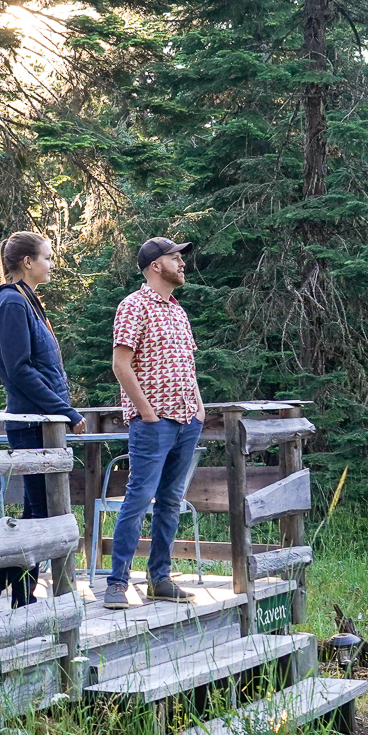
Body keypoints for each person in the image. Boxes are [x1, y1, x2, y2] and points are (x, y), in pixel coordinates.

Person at [0, 230, 83, 608]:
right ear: (27, 262)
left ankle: (18, 590)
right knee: (39, 511)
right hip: (31, 420)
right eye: (48, 257)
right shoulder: (11, 304)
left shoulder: (27, 301)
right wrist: (65, 410)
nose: (52, 264)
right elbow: (20, 370)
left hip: (43, 418)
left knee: (37, 510)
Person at [105, 236, 203, 610]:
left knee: (171, 502)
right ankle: (117, 583)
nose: (182, 262)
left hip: (186, 419)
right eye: (175, 256)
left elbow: (187, 363)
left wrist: (199, 406)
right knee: (138, 499)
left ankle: (159, 579)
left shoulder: (178, 311)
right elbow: (121, 365)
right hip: (153, 422)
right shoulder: (133, 306)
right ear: (155, 266)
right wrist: (146, 412)